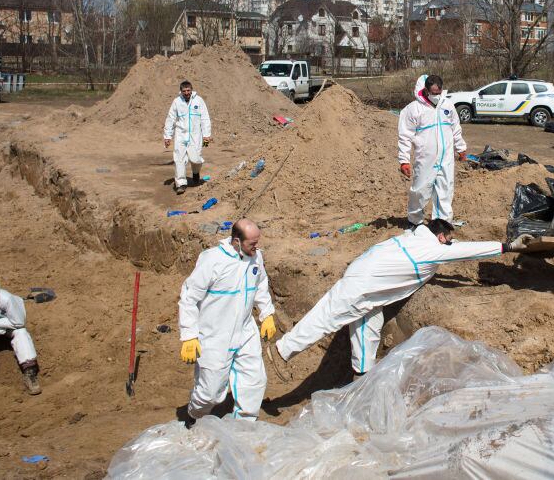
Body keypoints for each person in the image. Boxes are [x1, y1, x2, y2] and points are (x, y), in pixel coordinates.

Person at [275, 220, 533, 378]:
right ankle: (281, 350)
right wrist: (508, 246)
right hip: (361, 285)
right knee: (326, 318)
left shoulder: (414, 238)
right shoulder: (430, 249)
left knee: (368, 327)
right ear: (441, 237)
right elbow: (467, 251)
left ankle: (361, 377)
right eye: (449, 240)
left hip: (370, 285)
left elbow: (452, 247)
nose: (451, 244)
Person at [178, 219, 275, 424]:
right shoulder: (212, 260)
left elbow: (261, 285)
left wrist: (267, 314)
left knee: (254, 380)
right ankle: (194, 417)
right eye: (252, 243)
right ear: (237, 241)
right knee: (210, 393)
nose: (256, 247)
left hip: (245, 330)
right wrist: (189, 335)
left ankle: (244, 424)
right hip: (215, 335)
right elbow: (189, 297)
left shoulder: (255, 258)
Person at [397, 74, 466, 226]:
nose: (436, 96)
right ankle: (415, 221)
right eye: (433, 93)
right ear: (426, 90)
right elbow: (405, 136)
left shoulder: (447, 105)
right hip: (425, 157)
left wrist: (461, 147)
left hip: (446, 157)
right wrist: (404, 160)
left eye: (438, 93)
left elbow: (455, 128)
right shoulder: (413, 110)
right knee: (420, 190)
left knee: (445, 189)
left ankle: (442, 222)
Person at [164, 80, 212, 196]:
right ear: (181, 91)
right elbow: (170, 119)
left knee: (195, 159)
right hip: (181, 135)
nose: (186, 93)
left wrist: (206, 135)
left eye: (188, 90)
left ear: (191, 90)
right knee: (179, 159)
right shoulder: (177, 102)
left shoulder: (199, 101)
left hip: (195, 136)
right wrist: (167, 136)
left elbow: (205, 118)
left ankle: (196, 172)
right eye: (184, 91)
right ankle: (181, 184)